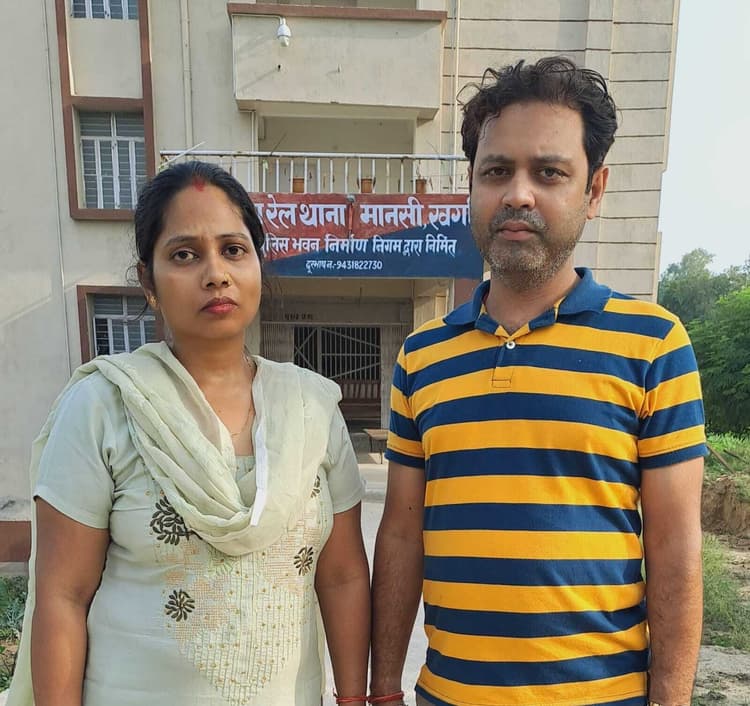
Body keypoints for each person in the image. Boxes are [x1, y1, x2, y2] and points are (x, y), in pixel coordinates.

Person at [370, 56, 706, 706]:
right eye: (496, 171)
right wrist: (384, 689)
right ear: (472, 185)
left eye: (549, 172)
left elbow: (674, 547)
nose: (518, 194)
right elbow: (403, 536)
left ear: (595, 190)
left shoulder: (653, 344)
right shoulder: (422, 357)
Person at [7, 161, 371, 706]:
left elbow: (342, 577)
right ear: (148, 282)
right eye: (184, 254)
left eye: (233, 249)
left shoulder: (311, 409)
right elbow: (63, 596)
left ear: (258, 265)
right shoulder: (104, 407)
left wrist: (354, 699)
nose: (215, 273)